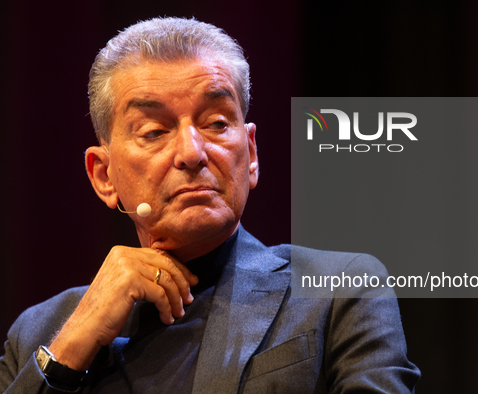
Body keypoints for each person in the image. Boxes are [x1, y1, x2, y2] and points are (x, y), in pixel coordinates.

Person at [0, 17, 420, 393]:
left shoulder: (336, 291)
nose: (192, 152)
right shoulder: (41, 334)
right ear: (104, 176)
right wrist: (71, 349)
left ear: (251, 154)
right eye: (153, 131)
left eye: (217, 123)